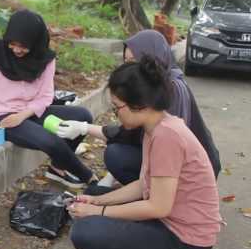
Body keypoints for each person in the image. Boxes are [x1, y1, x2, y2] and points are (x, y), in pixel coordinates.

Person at [66, 56, 222, 249]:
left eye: (117, 108)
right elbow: (144, 184)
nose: (116, 114)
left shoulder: (167, 137)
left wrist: (97, 212)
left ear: (139, 105)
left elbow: (158, 207)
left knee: (84, 232)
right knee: (93, 194)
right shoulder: (157, 127)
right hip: (167, 220)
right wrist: (98, 203)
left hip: (185, 243)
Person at [57, 30, 221, 188]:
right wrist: (83, 128)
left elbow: (141, 137)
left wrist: (106, 203)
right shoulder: (155, 84)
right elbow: (131, 132)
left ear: (152, 58)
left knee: (117, 156)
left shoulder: (172, 90)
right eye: (126, 61)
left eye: (135, 60)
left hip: (188, 177)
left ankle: (151, 193)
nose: (130, 66)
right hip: (169, 168)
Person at [0, 9, 97, 189]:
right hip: (3, 117)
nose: (17, 50)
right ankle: (89, 178)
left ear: (36, 42)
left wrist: (23, 115)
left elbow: (46, 95)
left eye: (23, 46)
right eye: (13, 44)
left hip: (31, 111)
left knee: (83, 116)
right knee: (51, 141)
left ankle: (57, 168)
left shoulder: (45, 59)